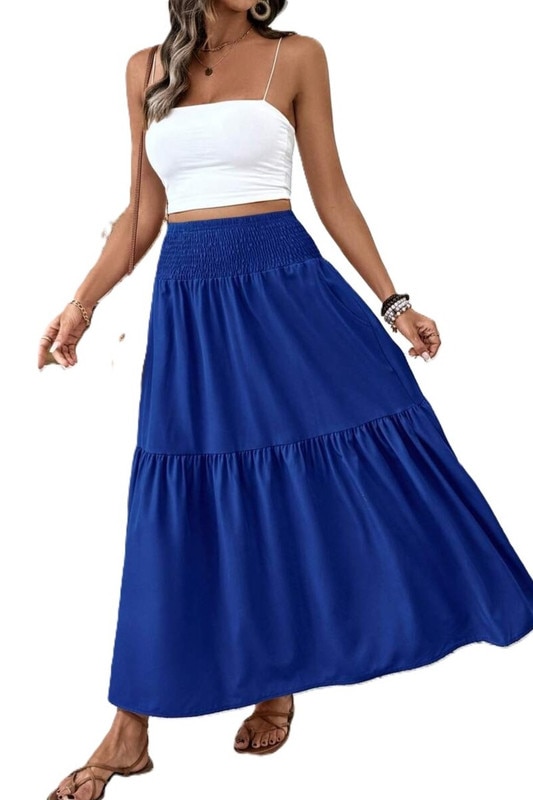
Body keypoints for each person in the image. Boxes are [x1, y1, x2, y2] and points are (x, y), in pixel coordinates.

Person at [39, 1, 533, 798]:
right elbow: (142, 214)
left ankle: (279, 681)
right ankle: (130, 730)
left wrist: (394, 302)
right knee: (184, 498)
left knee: (339, 476)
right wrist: (81, 305)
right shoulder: (144, 69)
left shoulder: (296, 55)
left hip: (288, 294)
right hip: (192, 307)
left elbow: (331, 194)